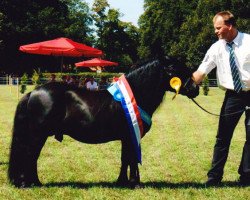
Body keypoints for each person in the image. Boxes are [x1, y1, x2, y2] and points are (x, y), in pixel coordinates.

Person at [192, 11, 250, 186]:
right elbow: (201, 71)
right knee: (222, 137)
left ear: (229, 25)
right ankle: (214, 178)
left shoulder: (249, 42)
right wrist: (182, 85)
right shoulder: (216, 47)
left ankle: (246, 176)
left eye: (218, 28)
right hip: (233, 96)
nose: (216, 31)